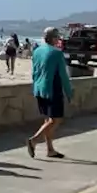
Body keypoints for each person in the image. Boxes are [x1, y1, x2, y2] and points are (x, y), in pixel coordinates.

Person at [27, 27, 73, 159]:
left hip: (39, 89)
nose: (58, 40)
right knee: (55, 120)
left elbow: (34, 72)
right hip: (52, 89)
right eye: (57, 38)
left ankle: (50, 150)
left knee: (47, 120)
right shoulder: (56, 53)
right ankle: (33, 140)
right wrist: (69, 93)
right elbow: (64, 76)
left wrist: (35, 87)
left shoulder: (36, 51)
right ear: (53, 38)